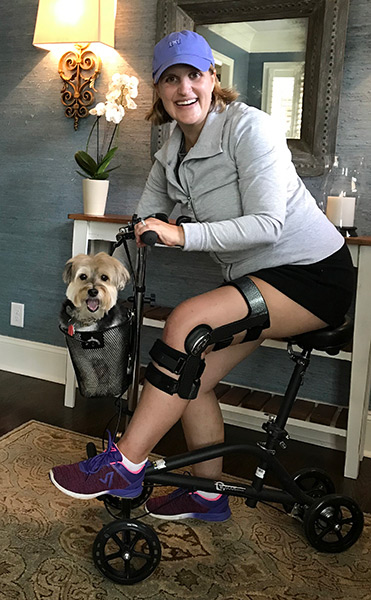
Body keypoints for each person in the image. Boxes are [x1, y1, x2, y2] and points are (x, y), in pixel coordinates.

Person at [50, 30, 354, 522]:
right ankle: (207, 494)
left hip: (312, 275)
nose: (184, 88)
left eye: (194, 74)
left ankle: (124, 463)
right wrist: (122, 247)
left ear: (213, 78)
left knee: (187, 320)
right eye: (171, 79)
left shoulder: (248, 128)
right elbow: (146, 215)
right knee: (191, 374)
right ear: (159, 89)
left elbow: (268, 224)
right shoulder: (171, 150)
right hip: (260, 279)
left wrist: (180, 234)